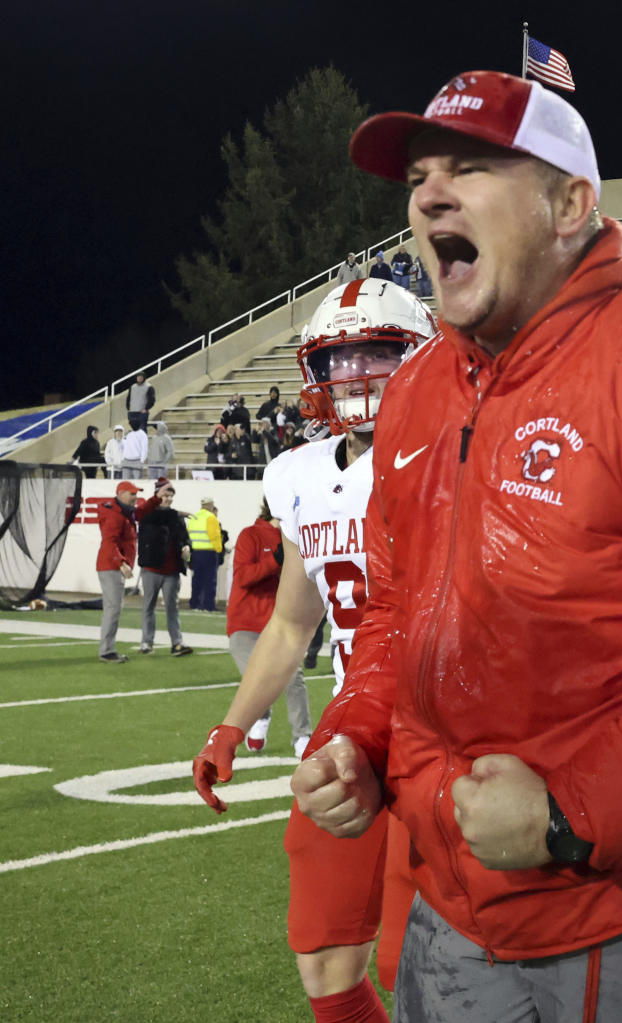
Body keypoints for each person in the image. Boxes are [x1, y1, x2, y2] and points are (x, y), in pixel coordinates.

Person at [291, 69, 622, 1023]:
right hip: (452, 898)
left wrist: (567, 811)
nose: (428, 195)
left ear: (571, 204)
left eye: (471, 168)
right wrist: (358, 738)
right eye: (420, 175)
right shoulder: (419, 389)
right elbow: (393, 611)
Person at [193, 279, 437, 1023]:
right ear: (315, 372)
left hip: (443, 716)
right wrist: (232, 724)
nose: (358, 373)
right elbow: (294, 625)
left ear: (419, 359)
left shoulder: (448, 453)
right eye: (341, 356)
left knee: (422, 961)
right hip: (354, 718)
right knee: (326, 955)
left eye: (378, 352)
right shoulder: (297, 475)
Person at [224, 498, 311, 758]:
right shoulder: (251, 535)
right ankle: (261, 716)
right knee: (255, 677)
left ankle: (303, 736)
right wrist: (275, 560)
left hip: (281, 624)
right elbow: (243, 577)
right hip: (246, 623)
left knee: (294, 677)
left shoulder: (299, 540)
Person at [96, 480, 159, 663]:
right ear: (121, 493)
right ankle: (107, 651)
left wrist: (156, 499)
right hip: (111, 566)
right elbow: (109, 542)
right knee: (113, 608)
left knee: (113, 608)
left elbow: (141, 512)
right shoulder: (115, 515)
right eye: (132, 494)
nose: (135, 497)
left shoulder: (123, 512)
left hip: (112, 565)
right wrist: (121, 563)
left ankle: (107, 648)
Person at [137, 478, 193, 656]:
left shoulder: (176, 517)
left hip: (172, 570)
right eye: (165, 495)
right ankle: (146, 642)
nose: (168, 499)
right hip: (151, 569)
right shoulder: (148, 513)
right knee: (148, 606)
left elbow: (184, 537)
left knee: (172, 608)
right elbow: (150, 515)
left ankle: (177, 643)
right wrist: (178, 513)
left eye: (170, 495)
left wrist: (186, 547)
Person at [187, 497, 222, 611]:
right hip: (209, 552)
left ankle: (194, 604)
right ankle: (208, 605)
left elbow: (188, 534)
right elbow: (214, 536)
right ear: (210, 505)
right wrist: (218, 550)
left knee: (197, 579)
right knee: (209, 581)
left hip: (195, 553)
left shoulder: (194, 517)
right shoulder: (210, 517)